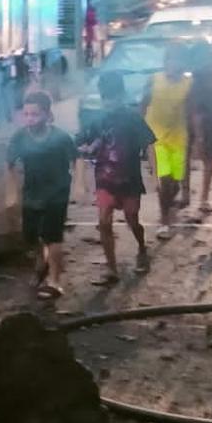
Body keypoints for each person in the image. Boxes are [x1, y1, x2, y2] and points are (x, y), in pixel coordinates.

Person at [79, 70, 154, 284]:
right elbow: (84, 141)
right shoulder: (97, 119)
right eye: (105, 98)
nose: (108, 102)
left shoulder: (132, 118)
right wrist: (85, 149)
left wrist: (153, 171)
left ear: (121, 96)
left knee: (132, 218)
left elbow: (148, 144)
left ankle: (141, 247)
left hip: (129, 179)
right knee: (104, 222)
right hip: (104, 179)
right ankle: (111, 269)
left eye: (112, 97)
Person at [6, 90, 76, 299]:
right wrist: (11, 192)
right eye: (26, 114)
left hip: (57, 194)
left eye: (34, 114)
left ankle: (55, 282)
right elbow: (9, 165)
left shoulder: (61, 137)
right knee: (32, 237)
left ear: (46, 114)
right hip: (32, 193)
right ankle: (41, 264)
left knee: (53, 238)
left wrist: (80, 184)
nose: (29, 119)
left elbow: (77, 159)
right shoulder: (19, 137)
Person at [144, 44, 192, 234]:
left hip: (179, 138)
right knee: (163, 179)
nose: (174, 64)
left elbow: (192, 111)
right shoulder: (154, 80)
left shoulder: (188, 84)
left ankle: (170, 203)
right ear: (165, 63)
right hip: (156, 139)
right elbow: (143, 104)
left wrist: (197, 137)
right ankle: (164, 219)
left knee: (174, 182)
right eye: (171, 60)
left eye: (178, 60)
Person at [184, 37, 212, 218]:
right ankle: (203, 198)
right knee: (208, 157)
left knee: (186, 156)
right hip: (209, 116)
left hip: (194, 117)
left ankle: (186, 193)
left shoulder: (192, 78)